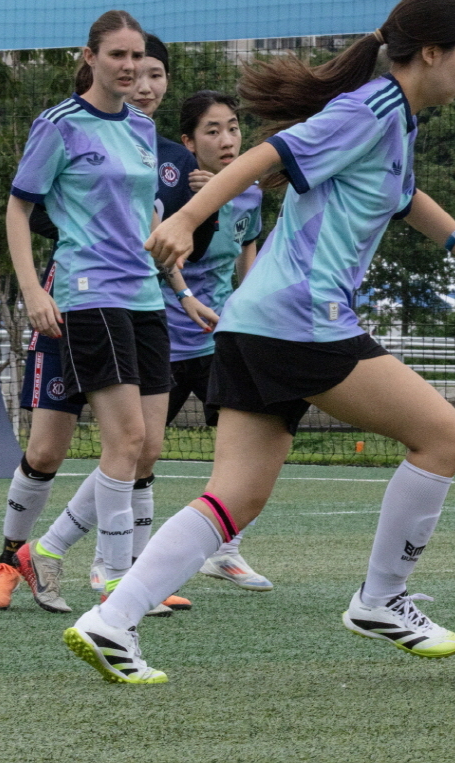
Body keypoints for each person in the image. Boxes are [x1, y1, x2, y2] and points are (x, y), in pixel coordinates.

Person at [63, 0, 455, 685]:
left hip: (255, 321)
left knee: (234, 495)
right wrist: (186, 220)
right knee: (443, 435)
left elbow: (404, 198)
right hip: (302, 321)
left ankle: (110, 621)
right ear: (430, 52)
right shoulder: (369, 108)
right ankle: (379, 598)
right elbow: (264, 157)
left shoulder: (394, 121)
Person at [0, 33, 217, 615]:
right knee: (60, 447)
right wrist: (34, 289)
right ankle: (83, 573)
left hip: (143, 300)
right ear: (91, 58)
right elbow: (20, 207)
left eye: (145, 63)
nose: (135, 71)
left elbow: (144, 225)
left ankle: (64, 557)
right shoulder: (59, 124)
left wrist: (181, 290)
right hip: (82, 298)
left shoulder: (142, 134)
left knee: (146, 447)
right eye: (122, 57)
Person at [159, 90, 273, 592]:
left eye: (232, 128)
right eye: (212, 131)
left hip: (217, 345)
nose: (227, 140)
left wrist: (249, 321)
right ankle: (115, 559)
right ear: (188, 142)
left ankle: (225, 552)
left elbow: (245, 268)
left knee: (249, 445)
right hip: (161, 342)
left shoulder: (250, 192)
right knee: (133, 452)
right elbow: (158, 258)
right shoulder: (171, 191)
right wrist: (205, 203)